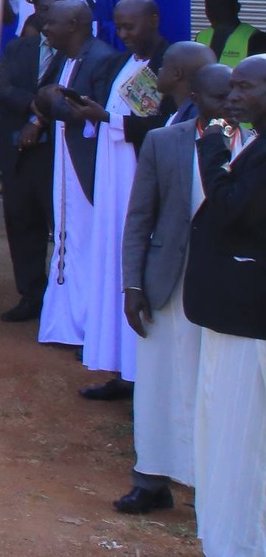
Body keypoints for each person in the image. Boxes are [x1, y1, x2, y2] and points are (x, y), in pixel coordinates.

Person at [113, 45, 222, 516]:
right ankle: (151, 479)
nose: (232, 103)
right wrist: (132, 285)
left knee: (211, 387)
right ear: (196, 95)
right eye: (222, 94)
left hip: (222, 290)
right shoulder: (165, 140)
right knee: (157, 382)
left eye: (238, 93)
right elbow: (139, 218)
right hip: (165, 281)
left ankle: (210, 483)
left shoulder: (250, 147)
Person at [183, 53, 266, 557]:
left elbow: (234, 210)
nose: (232, 97)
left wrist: (210, 149)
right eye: (231, 88)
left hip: (248, 319)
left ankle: (239, 542)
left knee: (241, 441)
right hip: (232, 315)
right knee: (223, 433)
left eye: (244, 88)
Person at [70, 0, 170, 401]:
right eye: (119, 26)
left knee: (136, 268)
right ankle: (121, 370)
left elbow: (163, 125)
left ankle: (143, 376)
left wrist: (107, 118)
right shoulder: (122, 62)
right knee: (113, 263)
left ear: (154, 18)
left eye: (131, 26)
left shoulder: (170, 62)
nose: (124, 34)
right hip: (113, 177)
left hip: (142, 179)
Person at [36, 0, 121, 350]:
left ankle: (88, 328)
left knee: (85, 242)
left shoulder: (101, 58)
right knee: (66, 239)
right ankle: (65, 324)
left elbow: (89, 114)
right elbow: (46, 96)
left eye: (51, 22)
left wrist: (49, 101)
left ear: (73, 24)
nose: (45, 28)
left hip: (85, 165)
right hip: (63, 161)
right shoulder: (63, 57)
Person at [0, 0, 69, 321]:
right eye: (43, 9)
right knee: (22, 223)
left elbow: (75, 99)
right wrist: (38, 105)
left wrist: (39, 121)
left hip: (59, 154)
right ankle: (30, 296)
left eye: (55, 10)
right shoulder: (18, 47)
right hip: (19, 153)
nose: (47, 16)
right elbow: (4, 89)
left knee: (64, 228)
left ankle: (64, 302)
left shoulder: (77, 54)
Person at [195, 0, 265, 66]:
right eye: (210, 7)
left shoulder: (256, 38)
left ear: (237, 8)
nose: (214, 12)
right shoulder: (201, 37)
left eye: (221, 6)